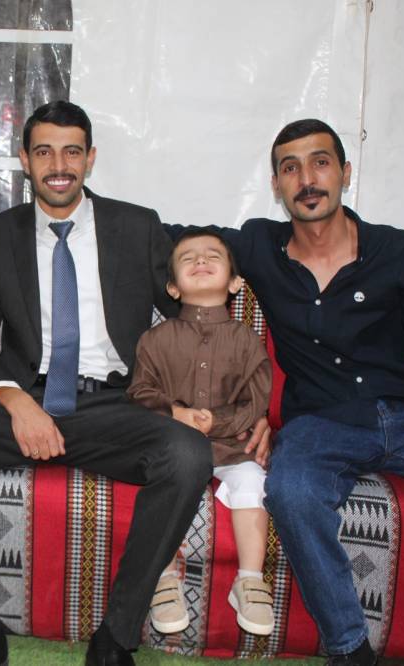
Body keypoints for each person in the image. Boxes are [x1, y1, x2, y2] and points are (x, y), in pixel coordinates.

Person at [0, 100, 217, 666]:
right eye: (44, 152)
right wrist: (15, 401)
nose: (58, 165)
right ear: (24, 160)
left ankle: (115, 637)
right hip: (26, 400)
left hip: (116, 404)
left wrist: (198, 404)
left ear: (90, 158)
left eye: (71, 152)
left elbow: (191, 318)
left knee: (188, 454)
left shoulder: (137, 226)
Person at [216, 118, 404, 666]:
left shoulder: (402, 252)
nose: (307, 179)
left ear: (345, 172)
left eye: (320, 163)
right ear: (276, 185)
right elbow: (165, 237)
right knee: (291, 490)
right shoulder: (258, 245)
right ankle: (350, 649)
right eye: (291, 168)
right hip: (322, 421)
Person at [127, 229, 273, 636]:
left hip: (231, 446)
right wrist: (175, 412)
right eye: (188, 258)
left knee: (252, 479)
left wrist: (217, 422)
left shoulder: (247, 340)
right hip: (174, 446)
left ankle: (250, 580)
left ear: (235, 283)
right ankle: (163, 577)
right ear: (173, 288)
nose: (200, 260)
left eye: (213, 255)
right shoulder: (154, 340)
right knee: (164, 481)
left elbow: (257, 399)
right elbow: (140, 390)